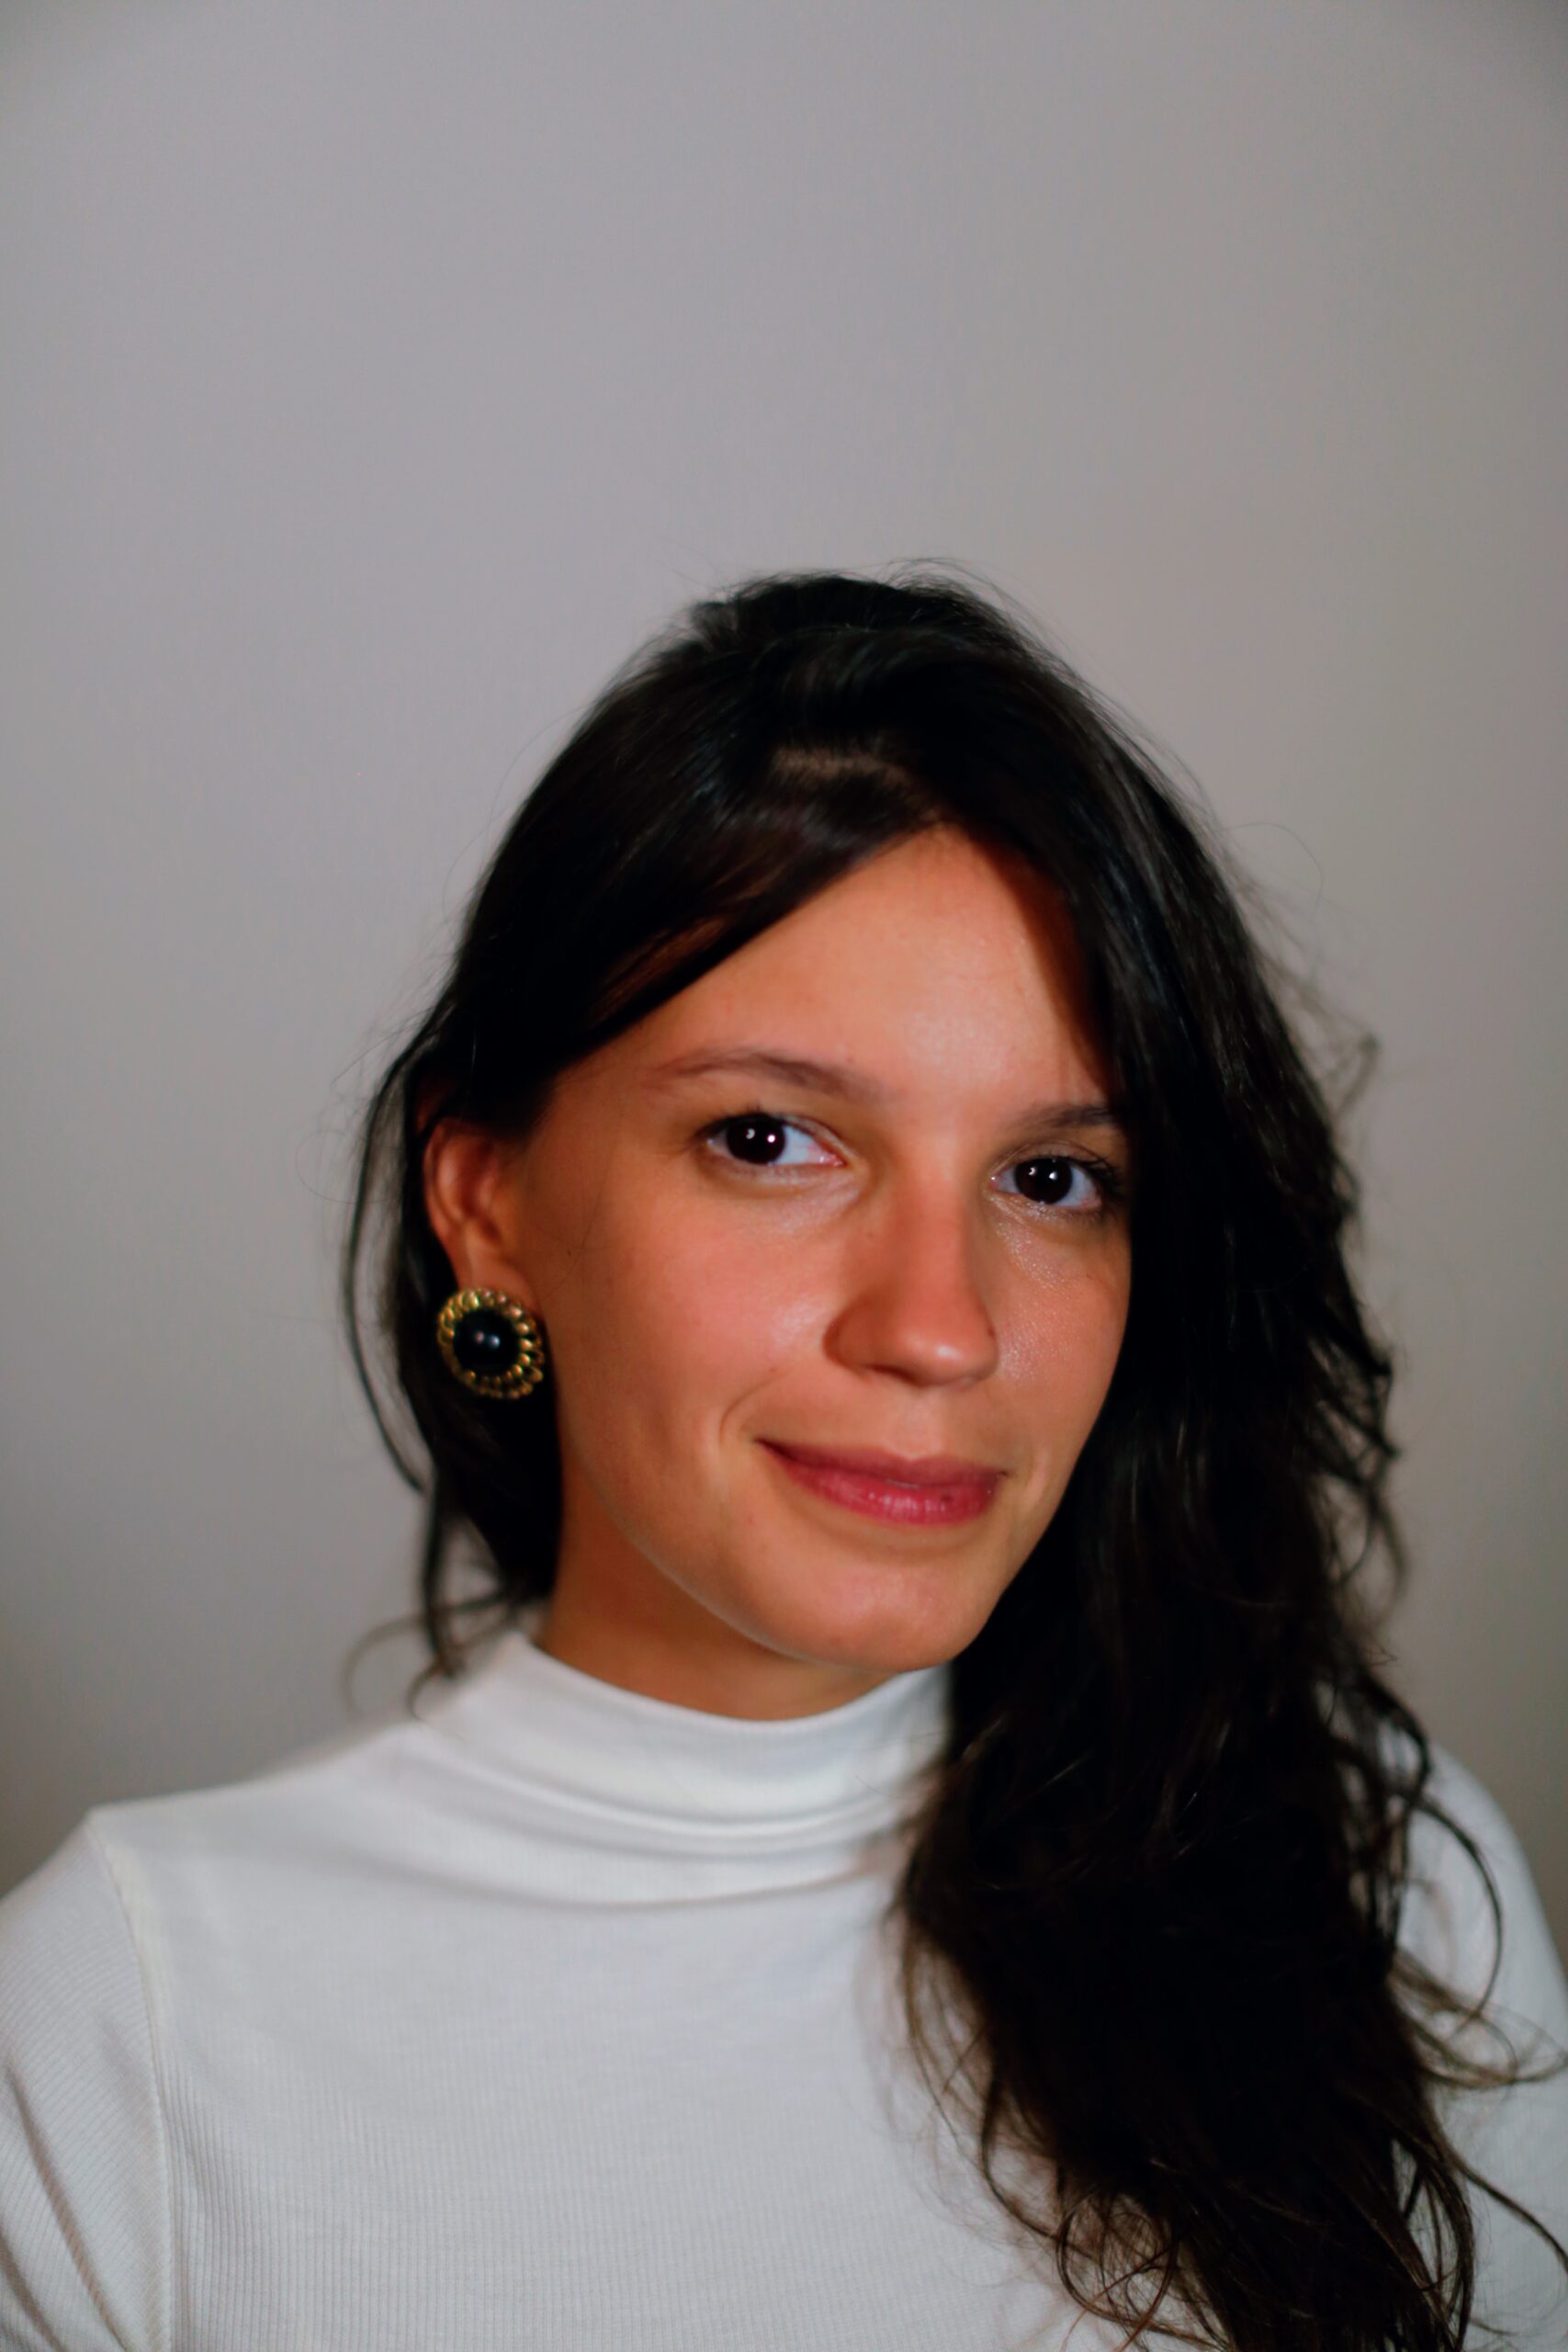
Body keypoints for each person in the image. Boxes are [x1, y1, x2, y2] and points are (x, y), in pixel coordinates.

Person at [1, 568, 1564, 2351]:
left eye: (1052, 1178)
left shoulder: (1380, 1883)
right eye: (769, 1140)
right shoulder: (122, 2038)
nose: (939, 1325)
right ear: (486, 1200)